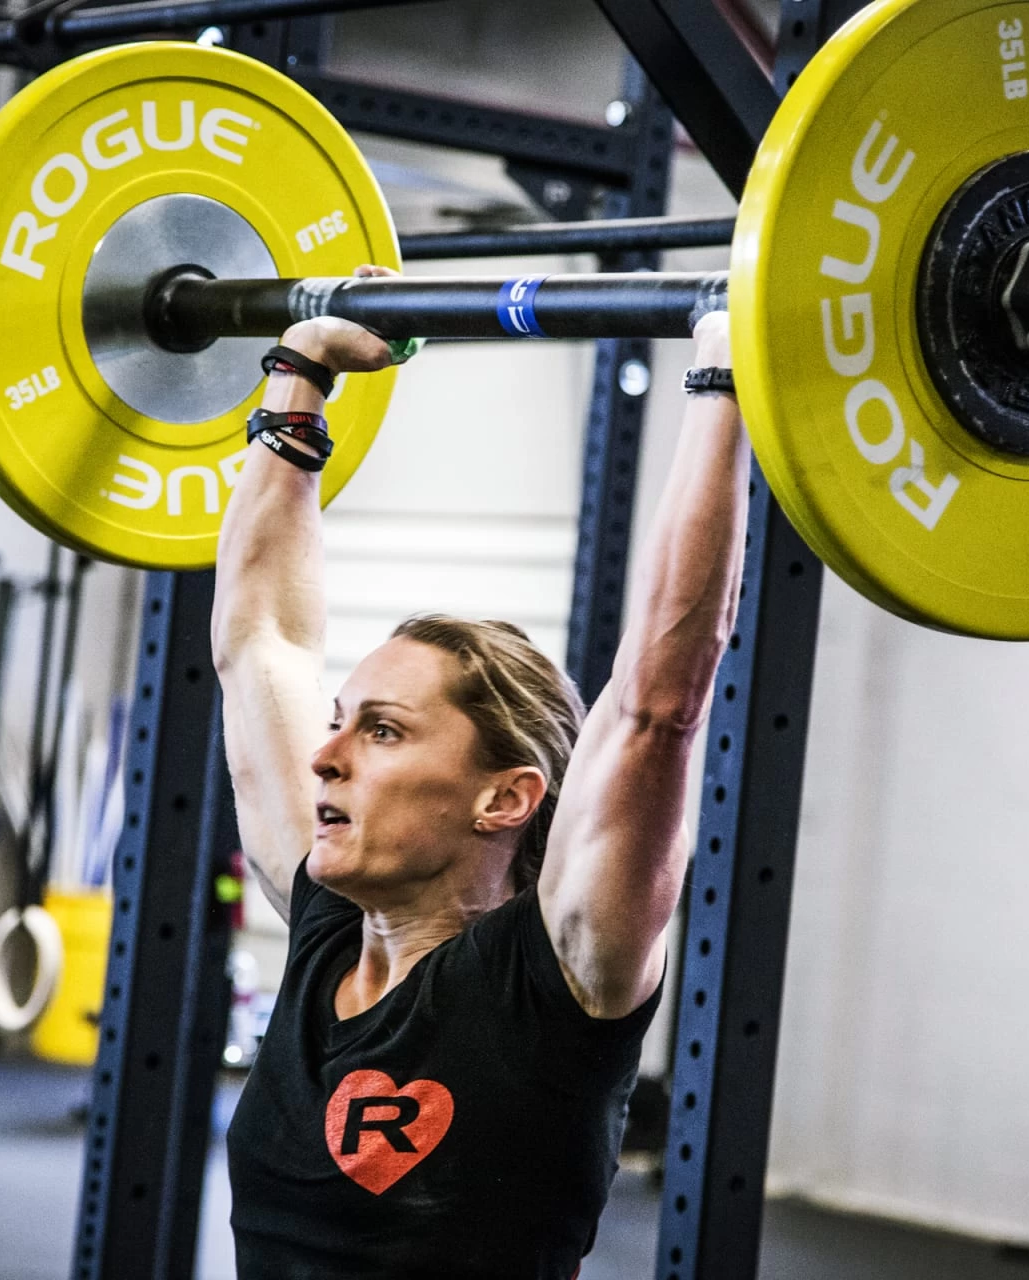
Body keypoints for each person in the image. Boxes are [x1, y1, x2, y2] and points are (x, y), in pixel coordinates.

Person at [214, 264, 748, 1279]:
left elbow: (657, 707)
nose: (324, 754)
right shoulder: (325, 924)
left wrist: (723, 371)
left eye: (382, 732)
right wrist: (303, 367)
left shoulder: (559, 978)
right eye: (340, 723)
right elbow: (260, 643)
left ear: (505, 796)